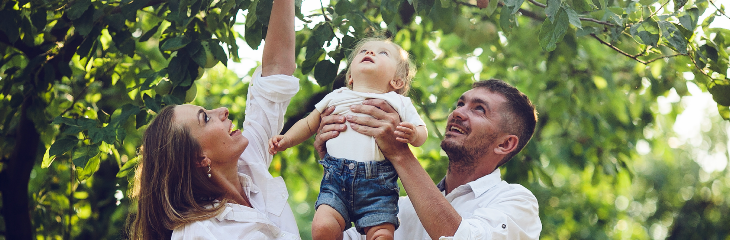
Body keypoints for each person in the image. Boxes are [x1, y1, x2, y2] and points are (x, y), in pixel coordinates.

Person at [126, 0, 300, 239]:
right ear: (200, 158)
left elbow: (276, 72)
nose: (223, 111)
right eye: (206, 118)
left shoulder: (250, 167)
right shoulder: (199, 233)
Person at [314, 79, 543, 240]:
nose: (458, 113)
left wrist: (400, 153)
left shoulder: (517, 202)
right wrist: (338, 163)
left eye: (479, 109)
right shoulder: (398, 208)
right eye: (460, 103)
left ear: (505, 144)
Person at [268, 38, 428, 240]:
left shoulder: (399, 102)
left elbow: (422, 131)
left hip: (378, 187)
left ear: (397, 81)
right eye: (364, 51)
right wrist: (287, 139)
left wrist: (414, 134)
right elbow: (309, 123)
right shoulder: (336, 96)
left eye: (383, 53)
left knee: (382, 234)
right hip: (336, 181)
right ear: (350, 76)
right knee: (322, 227)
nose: (370, 53)